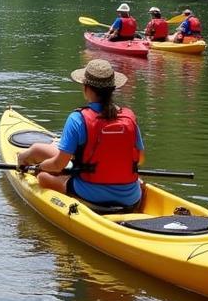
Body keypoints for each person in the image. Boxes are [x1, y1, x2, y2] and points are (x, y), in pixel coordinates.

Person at [16, 59, 145, 210]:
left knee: (42, 177)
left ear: (86, 88)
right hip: (131, 198)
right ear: (112, 89)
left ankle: (22, 161)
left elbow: (58, 165)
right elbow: (140, 159)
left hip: (91, 197)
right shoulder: (129, 118)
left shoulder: (77, 119)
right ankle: (26, 157)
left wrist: (40, 167)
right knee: (40, 150)